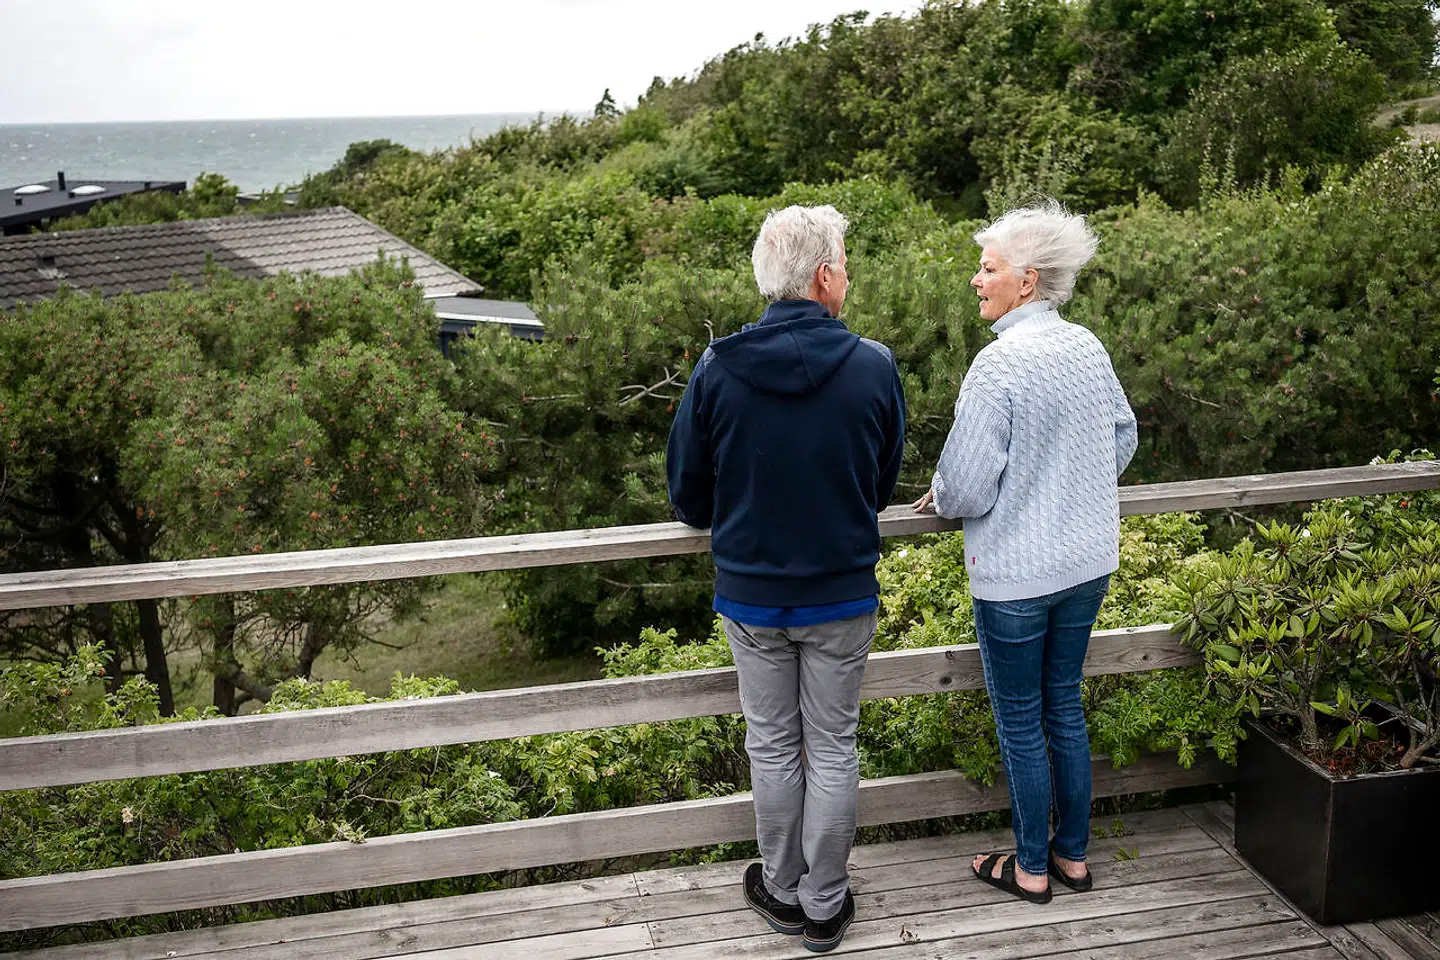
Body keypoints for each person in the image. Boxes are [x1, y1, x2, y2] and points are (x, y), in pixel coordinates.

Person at [667, 204, 906, 953]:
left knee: (771, 746)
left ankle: (780, 889)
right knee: (832, 745)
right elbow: (881, 485)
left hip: (753, 596)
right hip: (842, 594)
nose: (849, 278)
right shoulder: (873, 366)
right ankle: (825, 905)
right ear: (825, 276)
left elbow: (687, 495)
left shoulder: (718, 368)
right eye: (847, 265)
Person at [913, 200, 1137, 905]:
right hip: (1087, 563)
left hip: (1016, 576)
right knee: (1063, 705)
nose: (976, 280)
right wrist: (1070, 486)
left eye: (988, 269)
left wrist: (944, 493)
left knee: (1019, 719)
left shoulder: (998, 364)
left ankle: (1032, 868)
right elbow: (1122, 436)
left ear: (1028, 280)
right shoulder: (1087, 346)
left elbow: (965, 488)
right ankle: (1073, 858)